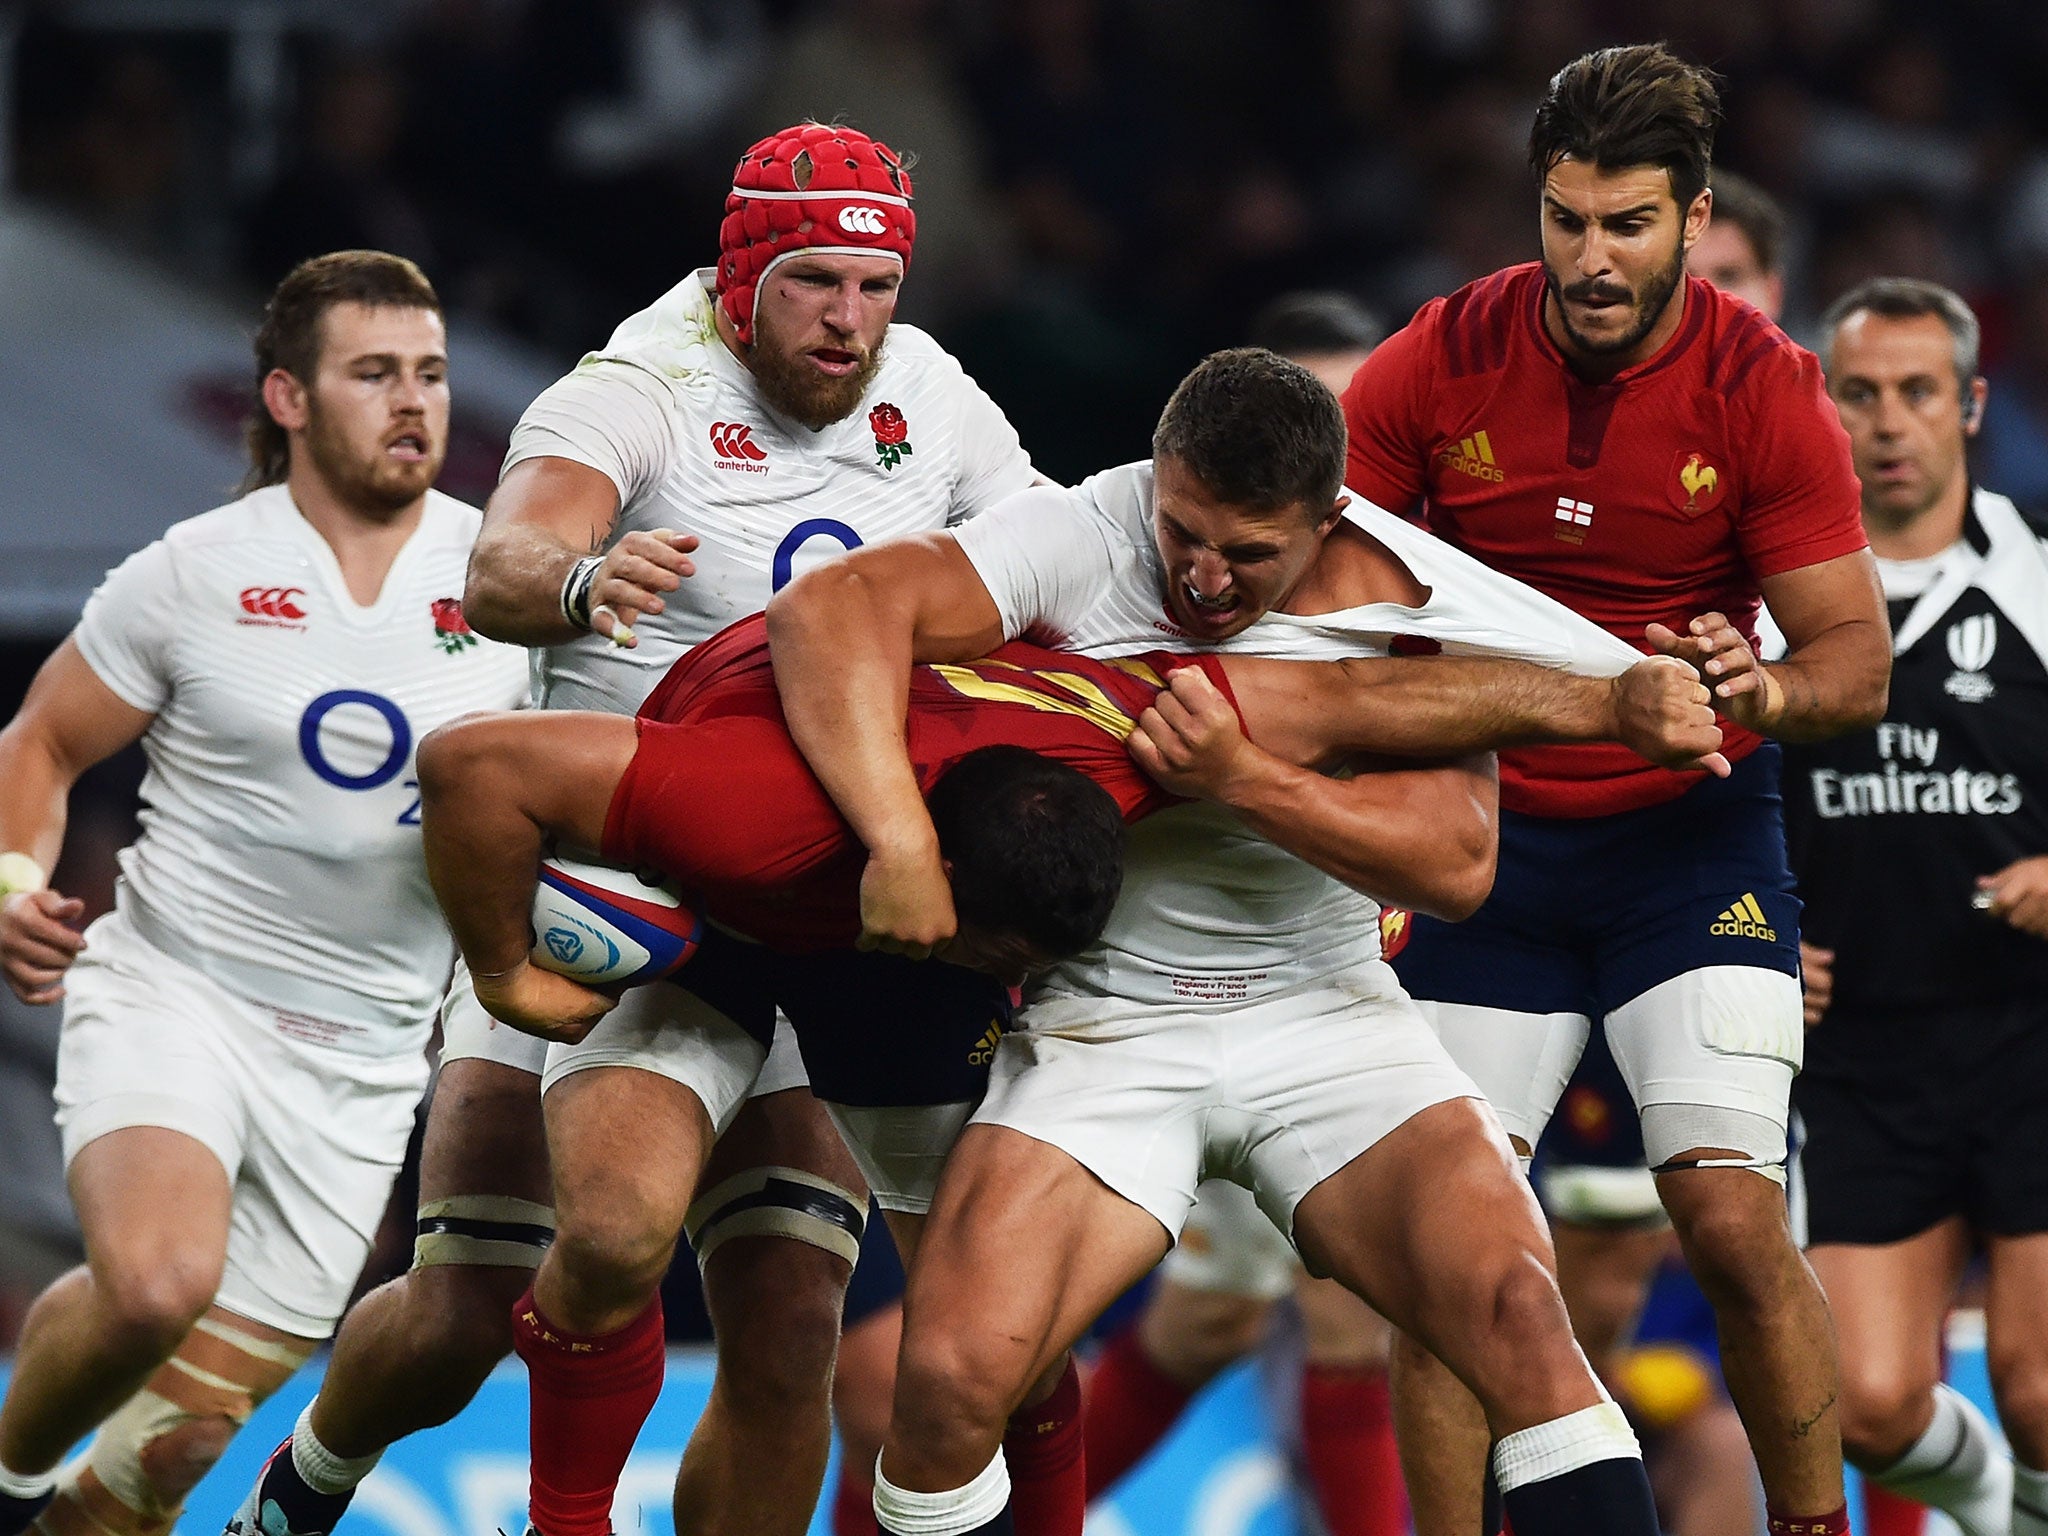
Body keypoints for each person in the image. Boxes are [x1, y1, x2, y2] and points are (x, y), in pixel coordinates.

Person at [765, 344, 1749, 1536]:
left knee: (1518, 1318)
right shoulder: (1081, 533)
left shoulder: (1411, 600)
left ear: (1327, 518)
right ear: (1156, 479)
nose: (1203, 576)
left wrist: (1238, 776)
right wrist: (900, 848)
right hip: (1105, 1026)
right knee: (950, 1379)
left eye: (1247, 555)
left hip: (1324, 1017)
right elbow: (831, 607)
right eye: (1182, 531)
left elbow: (1454, 868)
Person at [229, 121, 1053, 1536]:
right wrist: (585, 578)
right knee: (471, 1305)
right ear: (742, 278)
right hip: (613, 898)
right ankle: (302, 1493)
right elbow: (502, 558)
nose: (847, 321)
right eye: (812, 285)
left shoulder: (932, 392)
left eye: (874, 286)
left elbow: (1054, 564)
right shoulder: (639, 386)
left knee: (791, 1325)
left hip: (814, 910)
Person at [1337, 43, 1892, 1536]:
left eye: (1628, 225)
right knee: (1452, 1251)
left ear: (1696, 220)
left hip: (1687, 848)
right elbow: (1320, 614)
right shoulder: (1433, 358)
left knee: (1726, 1215)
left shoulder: (1763, 385)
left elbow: (1854, 660)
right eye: (1567, 219)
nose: (1591, 259)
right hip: (1483, 857)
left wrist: (1758, 688)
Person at [0, 250, 530, 1536]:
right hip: (182, 993)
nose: (414, 404)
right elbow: (42, 743)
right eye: (372, 376)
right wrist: (13, 877)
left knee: (171, 1454)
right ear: (289, 399)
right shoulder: (193, 572)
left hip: (360, 1065)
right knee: (153, 1285)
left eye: (430, 375)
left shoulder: (512, 582)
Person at [1079, 290, 1408, 1536]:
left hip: (1372, 988)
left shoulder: (1408, 591)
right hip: (1206, 986)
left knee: (1326, 1312)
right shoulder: (1156, 587)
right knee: (1247, 1314)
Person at [1788, 276, 2048, 1536]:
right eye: (1859, 394)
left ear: (1970, 406)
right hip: (1858, 1052)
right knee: (1869, 1408)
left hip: (2030, 1030)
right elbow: (1707, 812)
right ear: (1820, 409)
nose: (1887, 423)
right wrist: (1755, 935)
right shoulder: (1770, 606)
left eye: (1916, 393)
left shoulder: (2041, 573)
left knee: (2043, 1392)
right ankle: (1989, 1504)